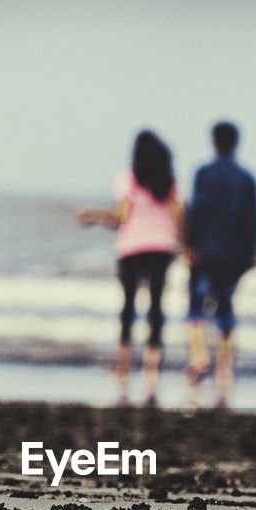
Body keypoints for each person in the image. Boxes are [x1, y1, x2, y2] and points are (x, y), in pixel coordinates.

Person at [78, 130, 184, 406]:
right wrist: (185, 244)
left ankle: (124, 365)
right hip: (162, 248)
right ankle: (152, 367)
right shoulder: (169, 182)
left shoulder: (128, 179)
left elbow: (121, 219)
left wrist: (96, 216)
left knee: (128, 306)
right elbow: (178, 216)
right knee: (157, 307)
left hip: (132, 248)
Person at [184, 121, 256, 408]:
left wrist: (190, 244)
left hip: (207, 251)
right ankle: (225, 367)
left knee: (197, 305)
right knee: (226, 307)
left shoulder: (205, 174)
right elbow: (255, 219)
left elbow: (197, 210)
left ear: (213, 142)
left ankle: (199, 355)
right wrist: (253, 251)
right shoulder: (247, 179)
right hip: (235, 254)